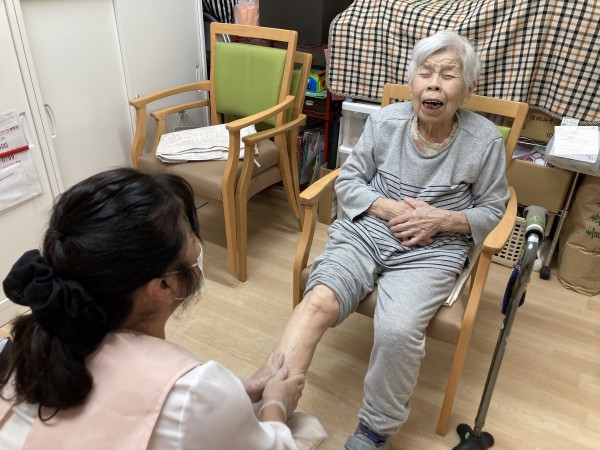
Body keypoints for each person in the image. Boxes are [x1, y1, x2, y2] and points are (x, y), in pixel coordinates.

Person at [275, 30, 510, 450]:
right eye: (425, 72)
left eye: (448, 75)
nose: (434, 84)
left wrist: (442, 219)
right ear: (412, 81)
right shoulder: (385, 122)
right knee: (318, 301)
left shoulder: (485, 141)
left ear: (469, 89)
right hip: (367, 232)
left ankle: (375, 429)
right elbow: (348, 181)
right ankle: (272, 406)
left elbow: (493, 209)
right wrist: (386, 208)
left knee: (398, 329)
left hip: (433, 249)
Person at [0, 168, 312, 450]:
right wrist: (276, 403)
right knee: (307, 427)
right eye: (191, 236)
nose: (199, 246)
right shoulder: (197, 391)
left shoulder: (36, 342)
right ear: (164, 285)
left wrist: (241, 392)